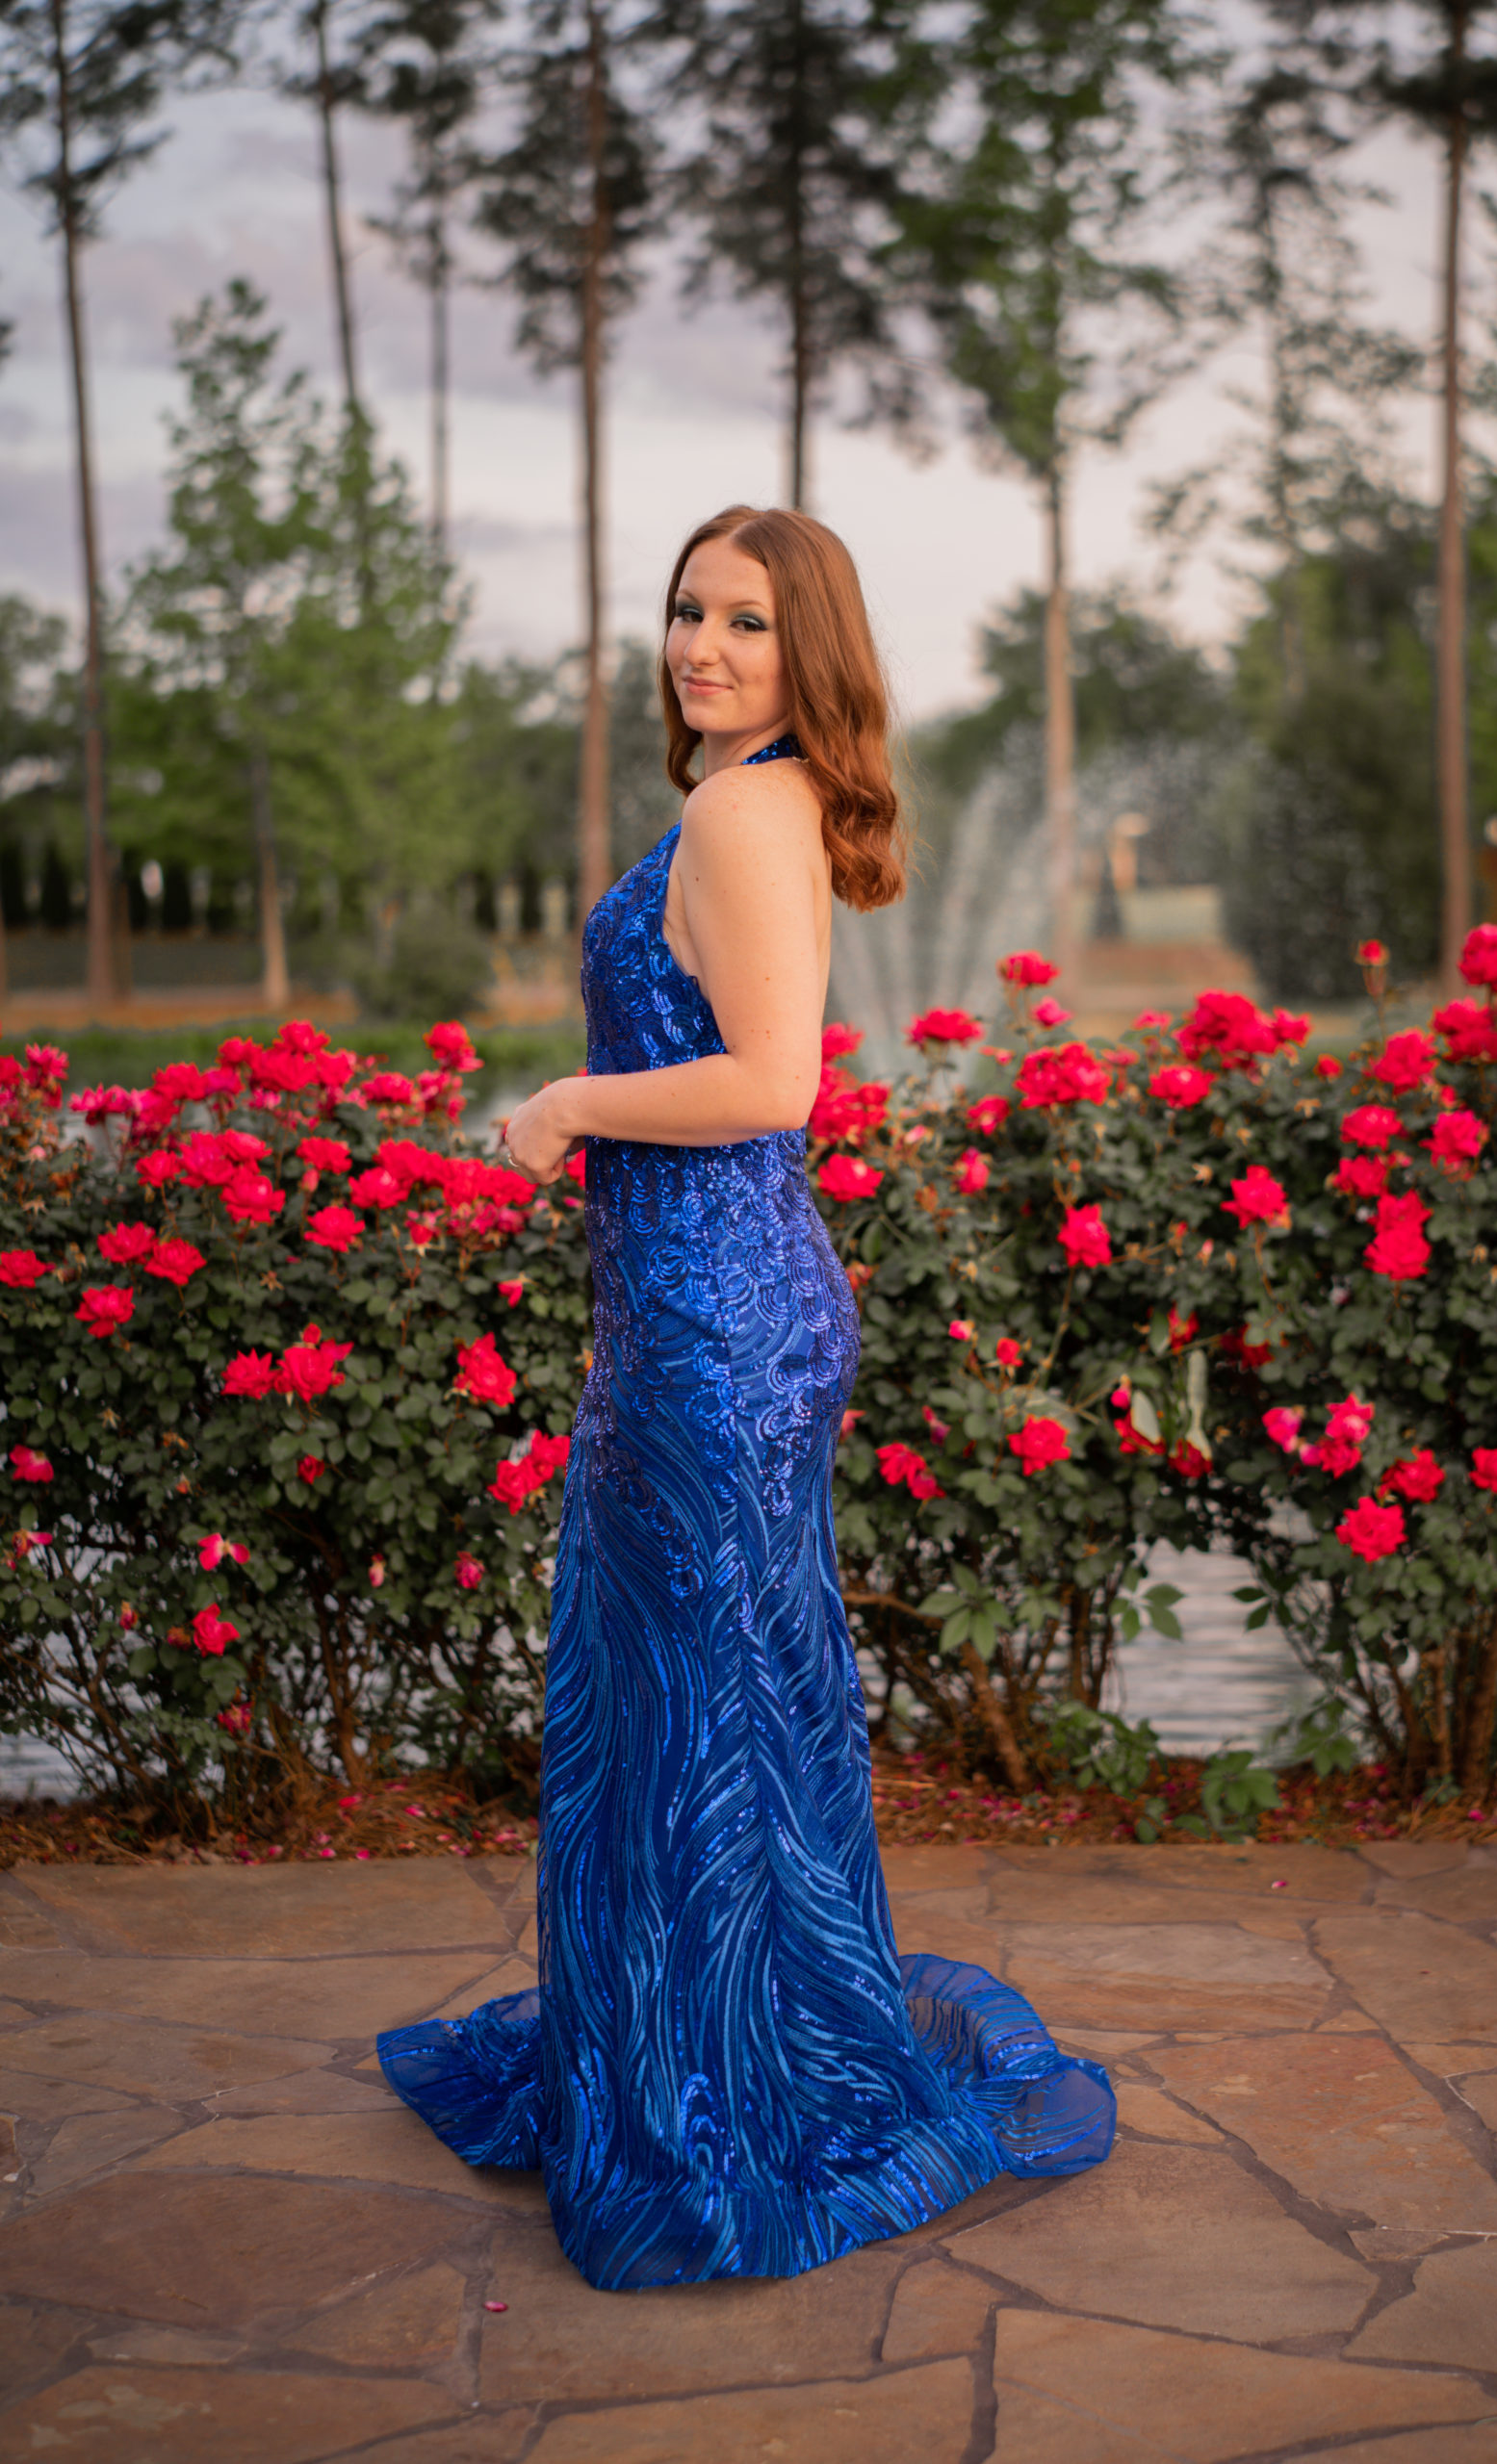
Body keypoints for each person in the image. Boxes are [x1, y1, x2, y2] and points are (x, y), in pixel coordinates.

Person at [376, 504, 1115, 2291]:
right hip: (702, 1319)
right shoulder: (753, 798)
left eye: (749, 623)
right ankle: (707, 2052)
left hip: (721, 1333)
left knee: (696, 1715)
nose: (702, 646)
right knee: (706, 1704)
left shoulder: (738, 810)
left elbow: (774, 1086)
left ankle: (714, 2104)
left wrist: (565, 1106)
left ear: (810, 654)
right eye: (688, 611)